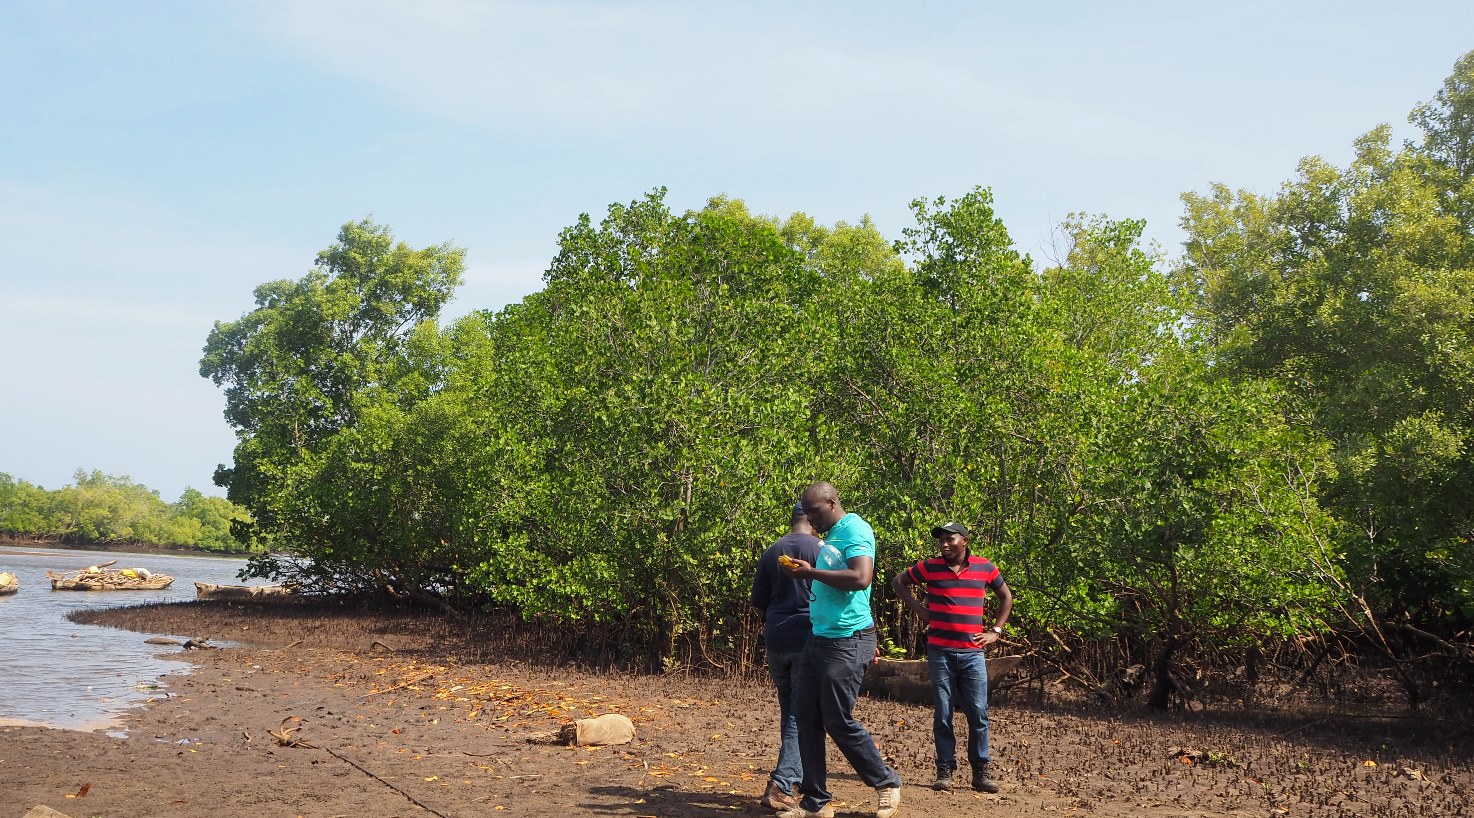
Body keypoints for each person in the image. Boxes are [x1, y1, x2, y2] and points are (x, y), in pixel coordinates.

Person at [778, 481, 903, 818]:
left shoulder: (855, 529)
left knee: (836, 718)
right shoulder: (830, 535)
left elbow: (861, 577)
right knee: (805, 717)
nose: (810, 519)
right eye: (806, 513)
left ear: (832, 502)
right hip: (819, 637)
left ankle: (886, 782)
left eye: (814, 511)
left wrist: (810, 571)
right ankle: (815, 803)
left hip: (849, 640)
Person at [889, 521, 1013, 794]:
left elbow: (1006, 597)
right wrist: (919, 609)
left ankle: (981, 772)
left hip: (972, 654)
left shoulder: (985, 567)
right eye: (941, 540)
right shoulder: (930, 567)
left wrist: (996, 631)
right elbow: (898, 581)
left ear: (965, 541)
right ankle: (945, 770)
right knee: (943, 712)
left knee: (978, 713)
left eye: (950, 539)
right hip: (940, 652)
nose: (944, 545)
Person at [750, 501, 823, 811]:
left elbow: (758, 600)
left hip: (777, 639)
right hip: (808, 638)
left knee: (790, 712)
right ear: (812, 518)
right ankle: (781, 784)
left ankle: (796, 781)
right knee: (801, 714)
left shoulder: (772, 550)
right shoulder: (824, 550)